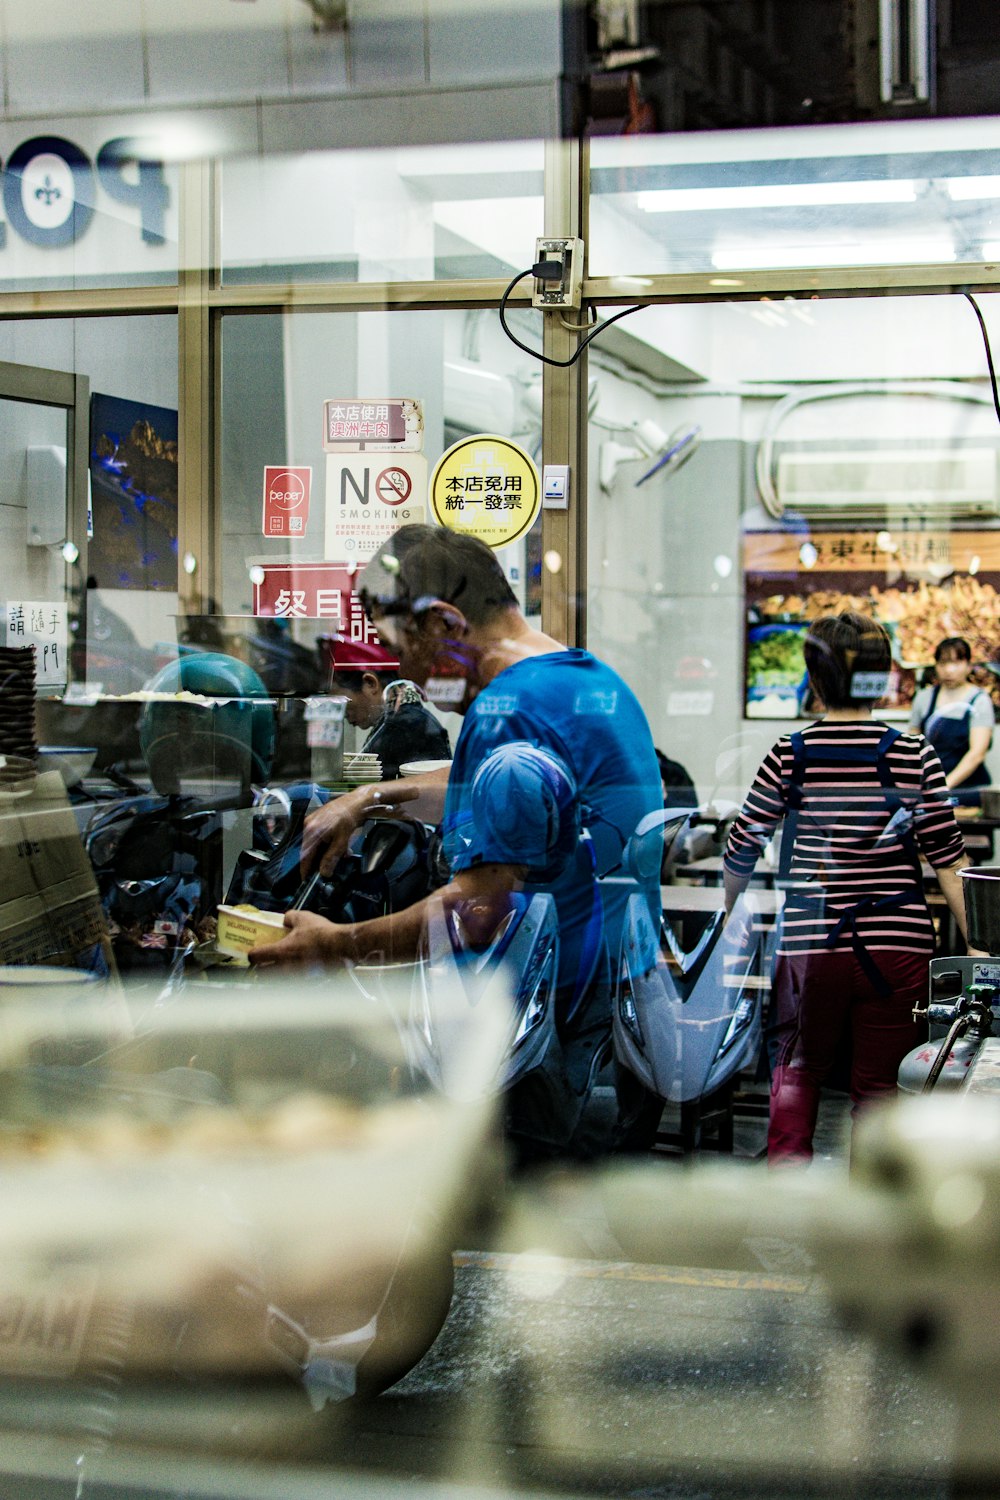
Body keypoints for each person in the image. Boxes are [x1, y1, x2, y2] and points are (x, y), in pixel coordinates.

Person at [253, 524, 663, 1157]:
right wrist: (368, 798)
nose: (408, 675)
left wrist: (335, 947)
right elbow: (511, 794)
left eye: (404, 650)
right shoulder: (578, 679)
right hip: (618, 1019)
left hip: (542, 1038)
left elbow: (473, 915)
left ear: (444, 623)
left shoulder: (508, 709)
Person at [723, 611, 972, 1166]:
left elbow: (743, 845)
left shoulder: (791, 753)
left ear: (813, 679)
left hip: (812, 943)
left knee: (798, 1069)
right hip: (897, 945)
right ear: (881, 679)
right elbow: (949, 861)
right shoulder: (914, 754)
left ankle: (786, 1203)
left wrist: (727, 908)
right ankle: (866, 1222)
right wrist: (979, 943)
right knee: (880, 1090)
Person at [324, 636, 452, 780]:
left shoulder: (404, 726)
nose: (344, 714)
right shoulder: (401, 719)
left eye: (342, 702)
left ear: (370, 683)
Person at [909, 636, 993, 806]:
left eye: (956, 663)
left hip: (970, 791)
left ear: (969, 665)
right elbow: (912, 745)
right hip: (931, 789)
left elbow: (977, 754)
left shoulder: (979, 700)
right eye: (943, 663)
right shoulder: (924, 698)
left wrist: (944, 787)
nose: (949, 670)